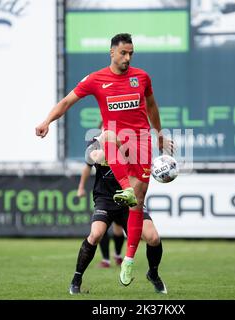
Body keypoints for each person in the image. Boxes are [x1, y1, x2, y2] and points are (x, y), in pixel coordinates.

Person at [36, 33, 171, 286]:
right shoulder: (96, 79)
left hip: (141, 143)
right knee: (107, 135)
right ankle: (126, 189)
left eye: (131, 53)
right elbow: (66, 101)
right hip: (117, 142)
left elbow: (152, 106)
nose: (128, 57)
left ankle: (130, 261)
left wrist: (159, 134)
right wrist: (46, 121)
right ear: (112, 52)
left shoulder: (141, 77)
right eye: (123, 53)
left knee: (139, 211)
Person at [69, 135, 167, 294]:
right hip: (105, 200)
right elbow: (95, 157)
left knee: (153, 238)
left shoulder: (131, 139)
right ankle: (77, 278)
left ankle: (153, 273)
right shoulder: (96, 141)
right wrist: (111, 144)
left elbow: (145, 155)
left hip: (131, 198)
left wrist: (160, 148)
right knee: (95, 235)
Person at [77, 160, 124, 268]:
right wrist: (81, 187)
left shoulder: (123, 146)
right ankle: (106, 260)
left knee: (118, 228)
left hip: (121, 192)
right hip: (104, 195)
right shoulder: (94, 146)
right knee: (100, 229)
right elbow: (88, 166)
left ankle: (117, 254)